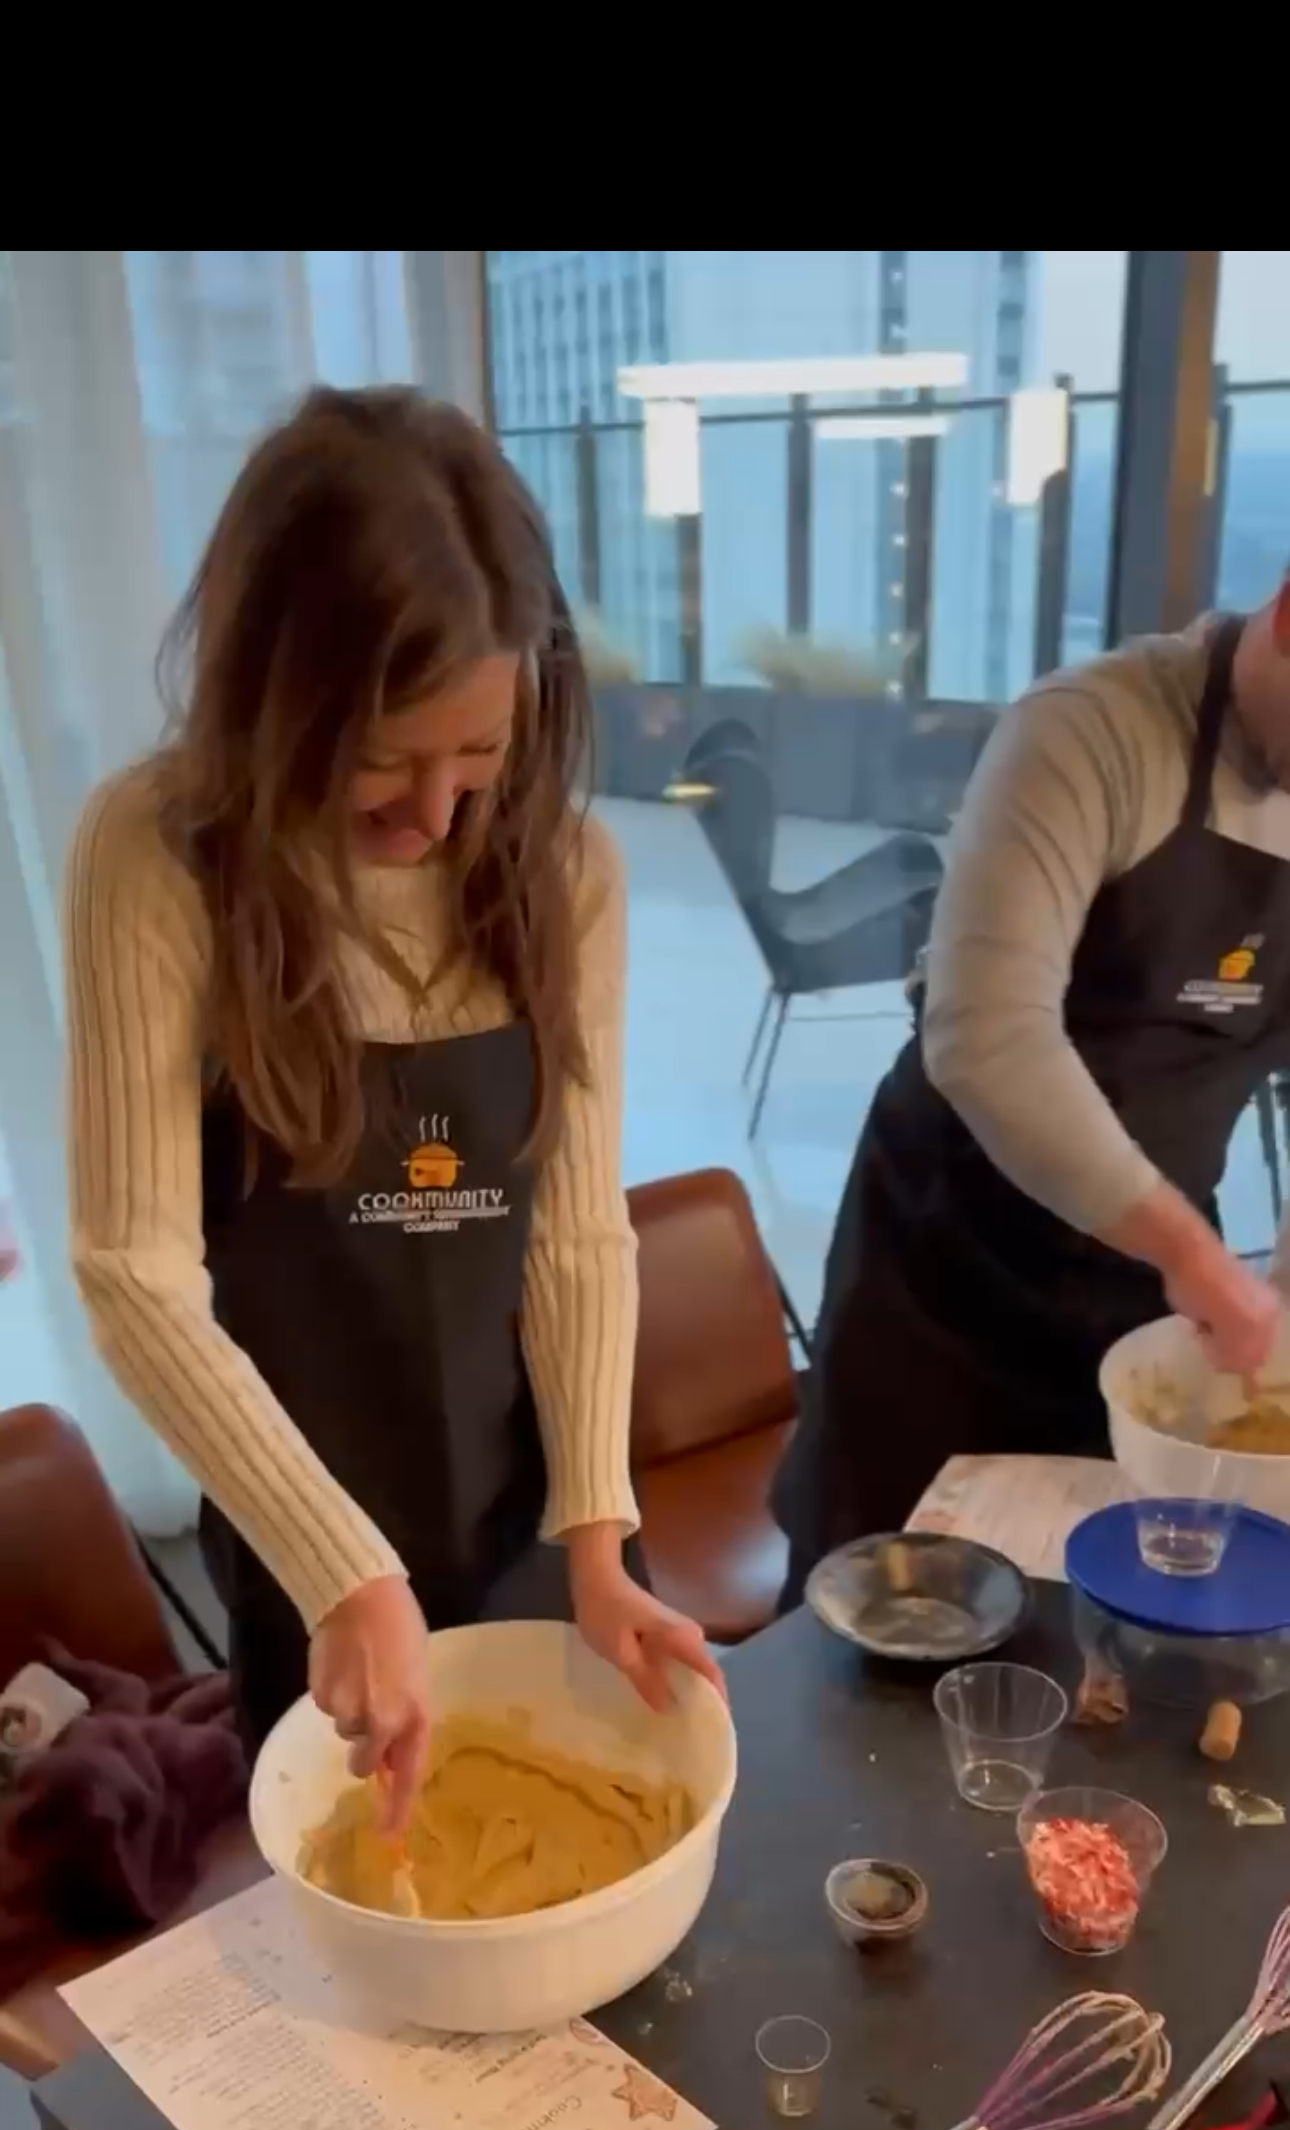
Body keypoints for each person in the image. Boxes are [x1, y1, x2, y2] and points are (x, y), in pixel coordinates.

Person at [66, 386, 719, 1822]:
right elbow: (135, 1279)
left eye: (477, 760)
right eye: (381, 766)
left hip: (532, 1509)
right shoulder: (160, 858)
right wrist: (341, 1571)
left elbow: (573, 1237)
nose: (435, 819)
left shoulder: (564, 874)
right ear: (273, 705)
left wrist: (600, 1535)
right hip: (304, 1531)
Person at [776, 589, 1290, 1595]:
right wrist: (1190, 1250)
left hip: (1146, 1305)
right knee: (882, 1612)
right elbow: (986, 1035)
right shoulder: (1090, 730)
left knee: (1092, 1622)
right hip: (947, 1270)